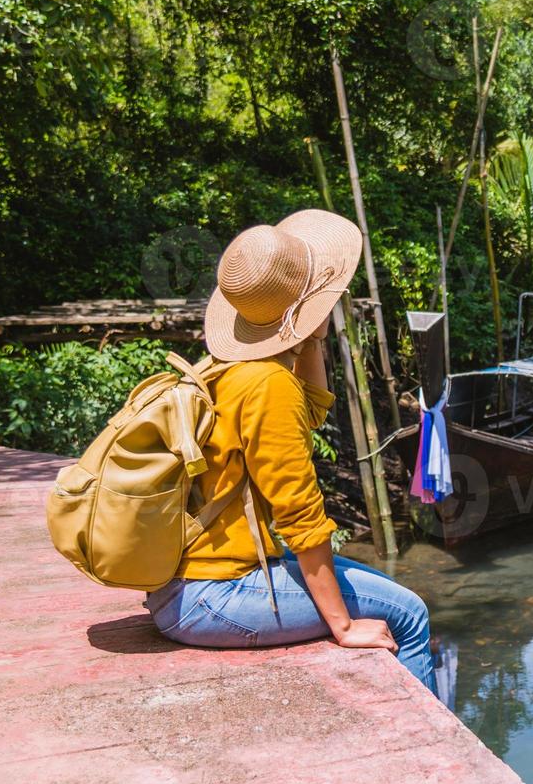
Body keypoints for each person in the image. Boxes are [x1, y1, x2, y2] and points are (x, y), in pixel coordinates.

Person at [144, 209, 436, 694]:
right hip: (214, 595)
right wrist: (342, 626)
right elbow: (300, 516)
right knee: (408, 613)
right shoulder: (267, 384)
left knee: (384, 591)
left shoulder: (234, 366)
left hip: (190, 585)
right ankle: (434, 757)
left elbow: (312, 412)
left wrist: (310, 335)